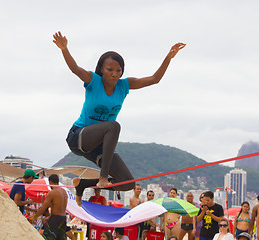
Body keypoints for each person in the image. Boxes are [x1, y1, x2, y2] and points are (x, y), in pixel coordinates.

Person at [53, 32, 186, 206]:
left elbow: (154, 79)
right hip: (79, 137)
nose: (114, 74)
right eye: (110, 69)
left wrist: (168, 57)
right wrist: (65, 49)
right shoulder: (94, 80)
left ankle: (83, 185)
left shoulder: (124, 85)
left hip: (98, 146)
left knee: (127, 183)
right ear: (101, 69)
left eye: (118, 70)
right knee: (113, 126)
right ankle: (102, 176)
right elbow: (75, 69)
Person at [32, 174, 68, 240]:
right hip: (63, 218)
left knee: (48, 238)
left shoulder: (52, 192)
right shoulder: (64, 192)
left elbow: (43, 207)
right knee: (61, 238)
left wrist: (35, 216)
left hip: (55, 218)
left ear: (50, 182)